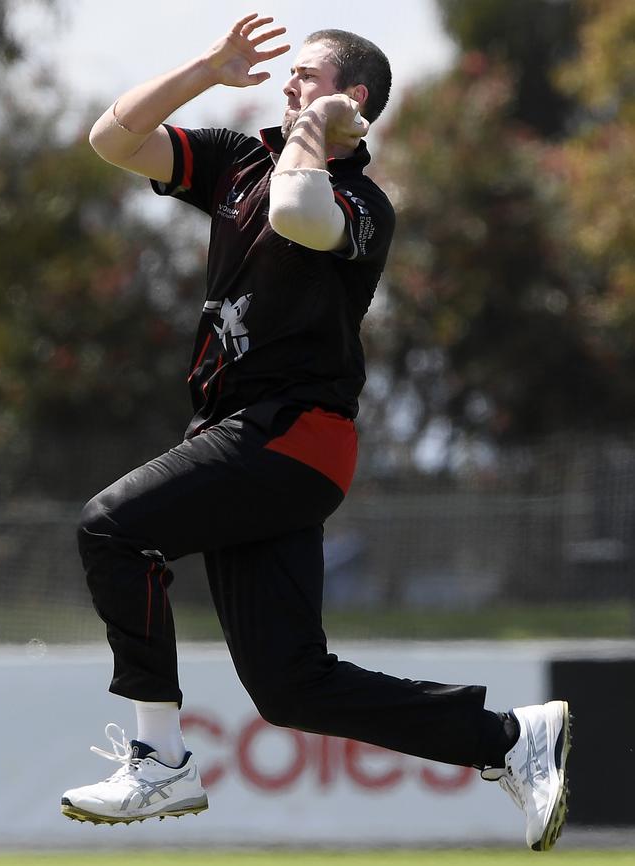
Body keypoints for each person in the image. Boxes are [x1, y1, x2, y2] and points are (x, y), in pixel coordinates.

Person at [61, 13, 570, 852]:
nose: (287, 83)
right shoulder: (238, 159)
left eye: (306, 75)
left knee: (112, 526)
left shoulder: (361, 202)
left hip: (291, 435)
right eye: (287, 75)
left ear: (353, 98)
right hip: (244, 436)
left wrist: (311, 133)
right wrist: (205, 67)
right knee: (291, 689)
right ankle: (510, 741)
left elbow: (299, 212)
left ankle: (160, 758)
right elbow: (114, 138)